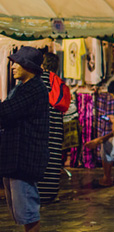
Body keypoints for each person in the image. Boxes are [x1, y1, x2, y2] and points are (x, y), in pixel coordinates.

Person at [0, 47, 49, 232]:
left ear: (28, 66)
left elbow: (6, 111)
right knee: (21, 211)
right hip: (16, 157)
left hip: (25, 156)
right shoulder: (22, 87)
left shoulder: (34, 88)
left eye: (17, 63)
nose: (12, 67)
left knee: (28, 212)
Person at [38, 52, 67, 204]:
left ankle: (39, 193)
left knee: (40, 157)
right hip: (56, 124)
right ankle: (50, 192)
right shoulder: (57, 80)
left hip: (42, 125)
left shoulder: (38, 80)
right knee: (54, 157)